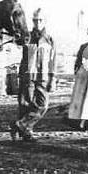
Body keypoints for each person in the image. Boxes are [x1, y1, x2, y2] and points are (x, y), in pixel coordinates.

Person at [10, 8, 58, 141]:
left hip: (43, 76)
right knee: (26, 104)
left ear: (45, 21)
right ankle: (27, 132)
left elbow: (53, 60)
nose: (38, 22)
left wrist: (53, 78)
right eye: (35, 20)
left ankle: (20, 125)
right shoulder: (27, 37)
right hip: (28, 75)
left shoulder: (50, 39)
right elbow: (20, 49)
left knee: (43, 104)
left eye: (40, 20)